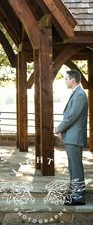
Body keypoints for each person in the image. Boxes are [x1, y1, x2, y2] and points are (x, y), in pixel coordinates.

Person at [55, 69, 88, 206]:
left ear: (73, 80)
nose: (65, 81)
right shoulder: (77, 93)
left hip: (75, 137)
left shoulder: (80, 95)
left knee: (76, 167)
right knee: (73, 167)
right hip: (71, 136)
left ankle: (78, 197)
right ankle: (74, 193)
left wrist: (59, 128)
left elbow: (71, 116)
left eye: (66, 78)